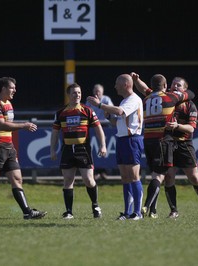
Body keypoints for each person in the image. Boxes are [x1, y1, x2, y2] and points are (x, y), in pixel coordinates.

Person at [0, 77, 47, 220]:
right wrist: (24, 125)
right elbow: (1, 125)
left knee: (17, 179)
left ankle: (27, 212)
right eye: (12, 87)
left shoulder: (9, 104)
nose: (15, 90)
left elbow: (8, 127)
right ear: (3, 88)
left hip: (9, 147)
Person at [131, 73, 195, 218]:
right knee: (159, 176)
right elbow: (191, 94)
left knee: (154, 174)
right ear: (165, 86)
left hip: (147, 140)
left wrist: (136, 80)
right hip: (162, 141)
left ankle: (152, 210)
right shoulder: (171, 97)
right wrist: (182, 92)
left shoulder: (146, 99)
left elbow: (144, 89)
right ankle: (146, 205)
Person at [146, 77, 198, 218]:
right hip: (167, 143)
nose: (175, 86)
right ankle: (174, 210)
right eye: (173, 84)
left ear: (184, 90)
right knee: (169, 177)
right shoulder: (165, 99)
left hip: (184, 144)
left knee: (194, 177)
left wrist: (177, 126)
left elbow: (191, 129)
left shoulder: (189, 106)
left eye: (179, 84)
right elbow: (147, 91)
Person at [87, 74, 144, 220]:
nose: (115, 87)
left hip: (132, 140)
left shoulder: (134, 99)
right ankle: (127, 212)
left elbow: (119, 111)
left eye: (117, 84)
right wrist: (108, 116)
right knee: (125, 177)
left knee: (134, 176)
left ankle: (137, 213)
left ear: (125, 84)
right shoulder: (125, 100)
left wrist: (99, 105)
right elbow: (116, 122)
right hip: (122, 140)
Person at [50, 83, 107, 219]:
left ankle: (95, 205)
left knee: (88, 179)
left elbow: (99, 129)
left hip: (83, 149)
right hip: (67, 149)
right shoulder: (60, 113)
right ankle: (69, 211)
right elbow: (55, 133)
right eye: (74, 93)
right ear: (68, 95)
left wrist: (103, 145)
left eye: (79, 93)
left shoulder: (87, 111)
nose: (77, 95)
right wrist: (52, 149)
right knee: (68, 180)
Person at [85, 83, 114, 180]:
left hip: (105, 126)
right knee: (94, 150)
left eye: (99, 91)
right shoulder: (90, 100)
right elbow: (85, 112)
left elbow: (112, 110)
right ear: (93, 92)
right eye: (96, 91)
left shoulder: (106, 99)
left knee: (104, 150)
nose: (97, 93)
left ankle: (104, 171)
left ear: (102, 92)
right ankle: (95, 172)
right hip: (93, 127)